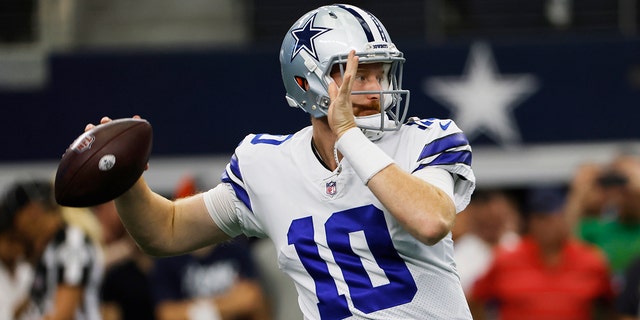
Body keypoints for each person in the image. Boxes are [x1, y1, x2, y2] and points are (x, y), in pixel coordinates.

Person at [87, 4, 476, 319]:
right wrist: (125, 179)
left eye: (381, 74)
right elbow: (165, 231)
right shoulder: (267, 164)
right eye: (358, 75)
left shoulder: (425, 138)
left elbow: (431, 221)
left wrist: (349, 136)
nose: (375, 90)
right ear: (306, 83)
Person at [469, 187, 614, 320]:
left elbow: (609, 305)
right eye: (539, 218)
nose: (546, 225)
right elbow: (475, 299)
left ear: (564, 218)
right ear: (530, 221)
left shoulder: (591, 260)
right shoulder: (506, 258)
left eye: (552, 217)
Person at [0, 179, 104, 320]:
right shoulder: (48, 249)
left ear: (32, 212)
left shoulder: (72, 244)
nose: (16, 229)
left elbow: (62, 315)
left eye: (15, 219)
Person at [454, 188, 520, 295]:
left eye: (496, 220)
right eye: (487, 221)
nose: (491, 225)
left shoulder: (516, 244)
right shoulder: (464, 248)